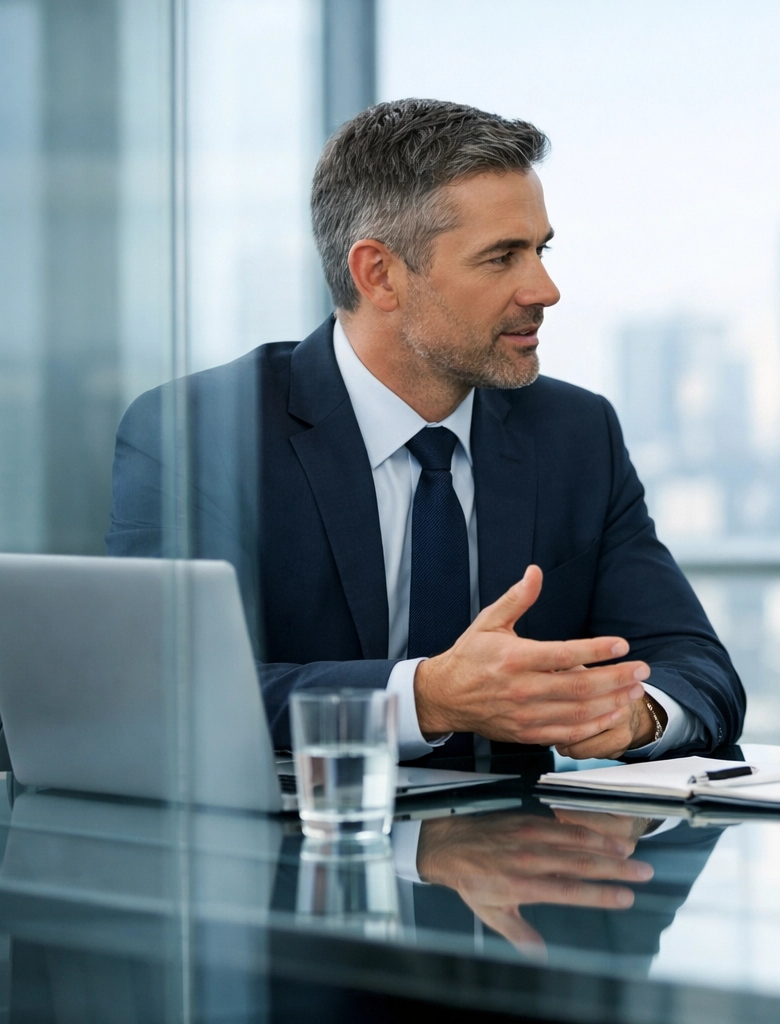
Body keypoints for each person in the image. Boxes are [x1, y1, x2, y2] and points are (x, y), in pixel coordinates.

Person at [108, 99, 744, 764]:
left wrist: (635, 714)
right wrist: (424, 698)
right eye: (502, 257)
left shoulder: (576, 433)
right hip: (301, 828)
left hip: (521, 831)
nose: (545, 289)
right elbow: (161, 686)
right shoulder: (197, 434)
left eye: (540, 250)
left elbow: (697, 667)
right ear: (378, 274)